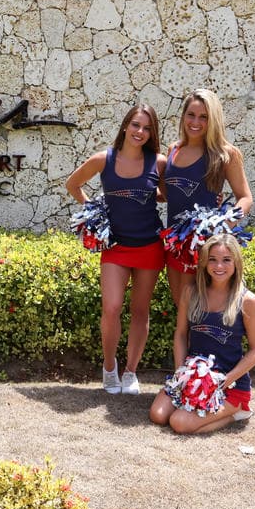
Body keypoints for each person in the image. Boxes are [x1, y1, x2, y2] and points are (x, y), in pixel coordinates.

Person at [66, 104, 167, 395]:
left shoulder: (158, 162)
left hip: (149, 245)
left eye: (147, 128)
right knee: (111, 308)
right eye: (136, 125)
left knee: (140, 310)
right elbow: (72, 184)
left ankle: (131, 373)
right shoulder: (103, 159)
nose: (140, 132)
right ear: (125, 125)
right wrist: (94, 213)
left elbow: (164, 195)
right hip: (116, 247)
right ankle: (109, 368)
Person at [149, 234, 255, 434]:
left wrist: (225, 380)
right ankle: (192, 404)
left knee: (179, 423)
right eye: (213, 259)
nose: (219, 266)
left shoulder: (248, 301)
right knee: (158, 415)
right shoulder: (191, 292)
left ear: (236, 262)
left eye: (226, 260)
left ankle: (237, 411)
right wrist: (181, 375)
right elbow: (181, 334)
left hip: (228, 385)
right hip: (192, 376)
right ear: (204, 263)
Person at [162, 88, 253, 307]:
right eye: (191, 115)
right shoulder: (173, 149)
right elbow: (170, 194)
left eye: (204, 117)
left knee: (204, 312)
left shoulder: (225, 154)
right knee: (182, 311)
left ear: (213, 120)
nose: (196, 122)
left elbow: (245, 198)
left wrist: (223, 225)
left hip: (204, 248)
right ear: (183, 116)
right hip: (174, 245)